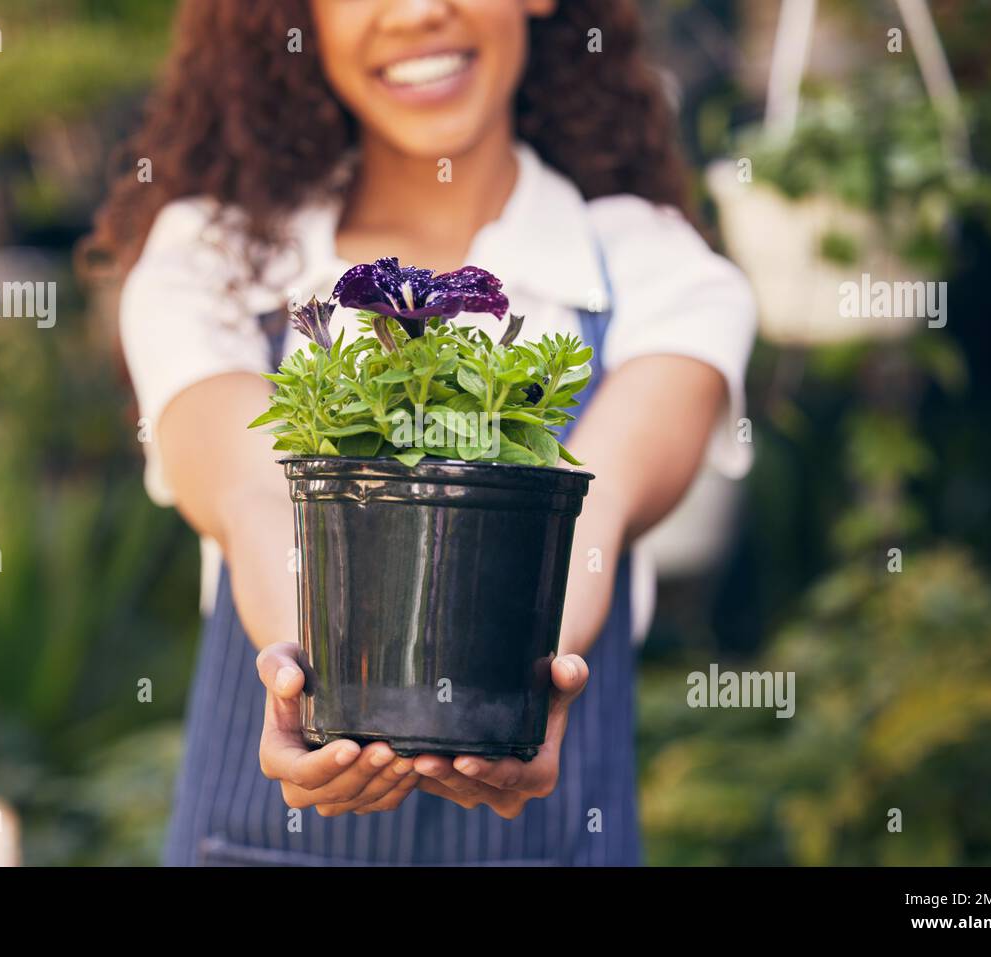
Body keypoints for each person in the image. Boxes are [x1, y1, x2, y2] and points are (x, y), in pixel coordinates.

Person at [85, 0, 755, 866]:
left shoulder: (654, 270)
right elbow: (257, 497)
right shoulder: (214, 263)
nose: (416, 10)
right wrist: (320, 687)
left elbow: (597, 502)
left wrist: (526, 674)